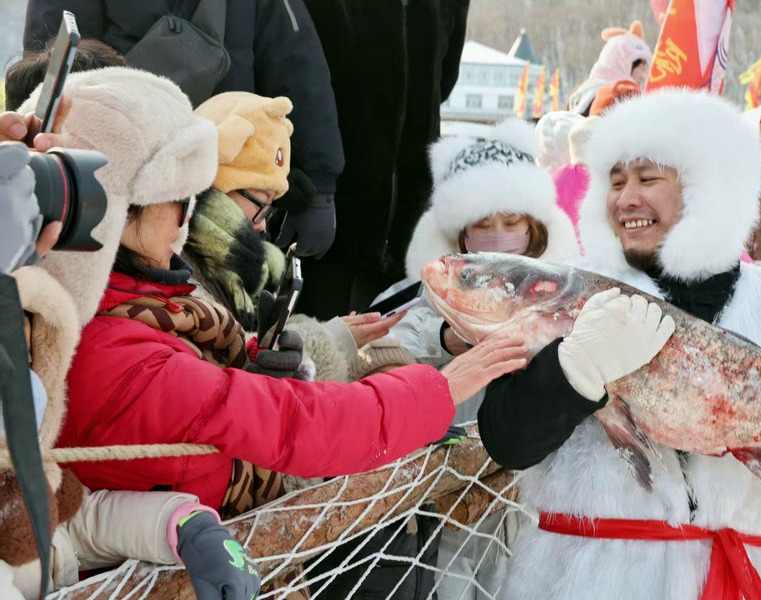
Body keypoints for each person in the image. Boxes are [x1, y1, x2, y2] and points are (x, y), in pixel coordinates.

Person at [16, 67, 528, 523]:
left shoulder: (134, 307)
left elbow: (227, 402)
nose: (192, 216)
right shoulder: (121, 352)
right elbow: (297, 425)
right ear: (115, 209)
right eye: (179, 198)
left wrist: (254, 365)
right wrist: (440, 390)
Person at [477, 90, 761, 600]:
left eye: (647, 178)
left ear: (707, 187)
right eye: (614, 181)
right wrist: (571, 372)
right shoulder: (566, 296)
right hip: (585, 582)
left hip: (749, 582)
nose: (625, 198)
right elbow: (507, 441)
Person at [0, 132, 259, 600]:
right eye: (179, 201)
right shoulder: (113, 342)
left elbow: (74, 528)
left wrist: (182, 524)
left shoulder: (20, 484)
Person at [386, 119, 579, 600]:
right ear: (461, 234)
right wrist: (446, 339)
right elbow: (385, 351)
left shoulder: (566, 295)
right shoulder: (433, 293)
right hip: (446, 497)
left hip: (536, 504)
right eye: (482, 225)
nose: (498, 237)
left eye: (511, 223)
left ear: (534, 228)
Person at [24, 0, 344, 261]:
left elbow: (48, 60)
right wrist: (320, 186)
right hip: (165, 176)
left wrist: (320, 183)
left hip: (138, 173)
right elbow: (297, 62)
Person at [188, 91, 402, 383]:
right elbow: (235, 366)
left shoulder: (235, 269)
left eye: (271, 209)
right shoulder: (178, 267)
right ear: (216, 183)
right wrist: (331, 338)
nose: (262, 226)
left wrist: (344, 340)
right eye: (261, 203)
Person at [282, 0, 471, 319]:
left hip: (389, 209)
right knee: (321, 341)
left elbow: (444, 77)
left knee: (388, 341)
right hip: (327, 204)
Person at [567, 20, 651, 116]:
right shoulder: (620, 94)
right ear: (623, 63)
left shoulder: (582, 94)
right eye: (641, 68)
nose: (643, 75)